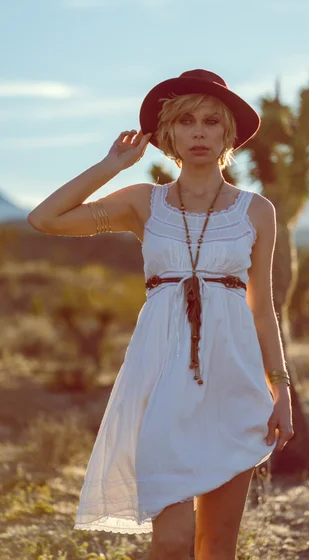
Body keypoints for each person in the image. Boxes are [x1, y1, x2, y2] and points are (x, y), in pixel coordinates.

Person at [28, 69, 294, 560]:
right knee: (171, 542)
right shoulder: (143, 205)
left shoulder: (257, 211)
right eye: (186, 121)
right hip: (162, 386)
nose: (199, 131)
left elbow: (263, 311)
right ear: (167, 133)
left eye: (212, 121)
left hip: (233, 386)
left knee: (216, 546)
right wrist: (114, 164)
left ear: (228, 133)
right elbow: (45, 219)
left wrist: (282, 391)